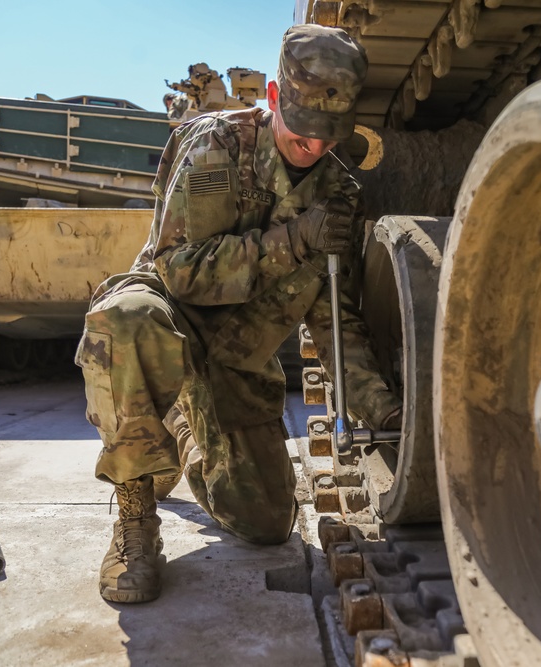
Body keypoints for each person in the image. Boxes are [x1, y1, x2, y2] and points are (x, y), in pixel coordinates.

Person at [75, 24, 402, 604]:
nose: (316, 147)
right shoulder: (215, 147)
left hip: (236, 358)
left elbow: (334, 318)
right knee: (119, 320)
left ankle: (182, 428)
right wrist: (295, 238)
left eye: (331, 135)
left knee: (266, 523)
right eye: (304, 132)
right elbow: (181, 270)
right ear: (274, 97)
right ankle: (135, 517)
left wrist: (384, 406)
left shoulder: (337, 192)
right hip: (170, 317)